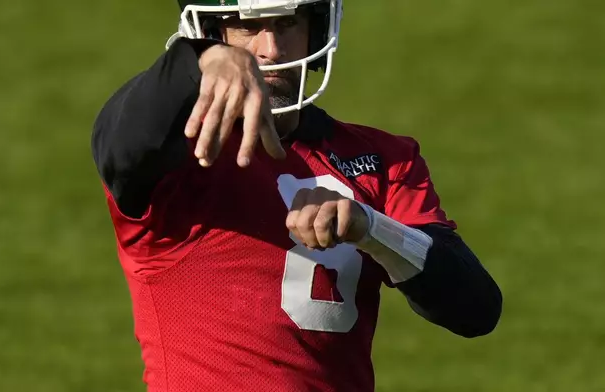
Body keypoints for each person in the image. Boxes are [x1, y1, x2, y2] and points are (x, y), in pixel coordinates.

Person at [91, 0, 502, 391]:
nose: (270, 50)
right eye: (248, 26)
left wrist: (370, 228)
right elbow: (117, 141)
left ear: (316, 26)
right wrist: (197, 61)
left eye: (288, 23)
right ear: (212, 31)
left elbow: (476, 309)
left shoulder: (385, 159)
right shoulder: (178, 160)